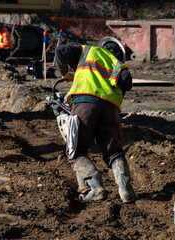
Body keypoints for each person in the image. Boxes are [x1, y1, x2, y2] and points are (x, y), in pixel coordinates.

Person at [54, 37, 136, 203]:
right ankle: (126, 190)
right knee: (114, 152)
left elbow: (60, 51)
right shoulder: (120, 66)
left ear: (102, 46)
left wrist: (65, 73)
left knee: (77, 151)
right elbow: (126, 82)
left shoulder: (88, 51)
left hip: (85, 105)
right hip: (111, 109)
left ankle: (95, 187)